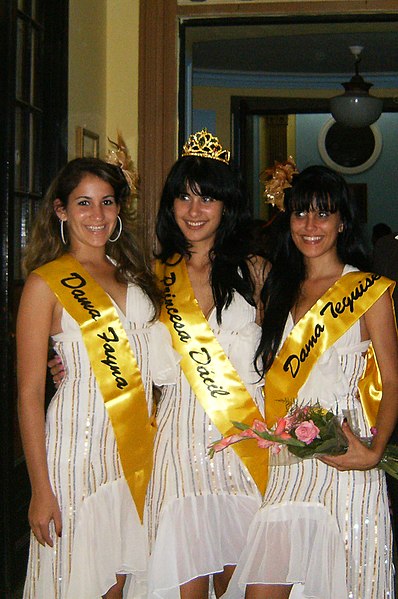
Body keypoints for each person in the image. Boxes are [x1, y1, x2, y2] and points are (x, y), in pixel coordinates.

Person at [226, 165, 398, 599]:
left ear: (342, 222)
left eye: (324, 214)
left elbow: (393, 380)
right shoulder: (278, 287)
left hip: (345, 461)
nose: (311, 225)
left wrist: (374, 450)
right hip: (288, 465)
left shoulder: (368, 291)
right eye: (301, 213)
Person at [17, 157, 177, 599]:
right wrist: (39, 489)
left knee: (123, 578)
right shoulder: (45, 283)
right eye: (83, 203)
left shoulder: (136, 273)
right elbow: (29, 394)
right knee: (78, 577)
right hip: (76, 448)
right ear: (61, 210)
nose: (98, 215)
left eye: (107, 202)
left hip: (137, 448)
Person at [146, 129, 268, 599]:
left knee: (243, 582)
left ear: (227, 205)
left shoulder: (256, 273)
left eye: (207, 199)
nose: (194, 211)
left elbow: (286, 358)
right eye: (183, 197)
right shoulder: (150, 279)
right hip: (177, 448)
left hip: (244, 444)